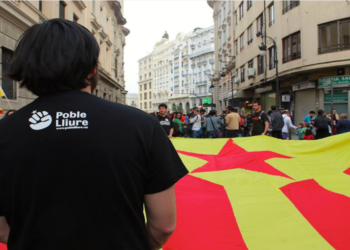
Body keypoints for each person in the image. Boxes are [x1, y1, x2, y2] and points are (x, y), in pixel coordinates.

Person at [0, 19, 188, 250]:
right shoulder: (142, 125)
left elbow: (2, 227)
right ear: (91, 69)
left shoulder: (5, 132)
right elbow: (164, 226)